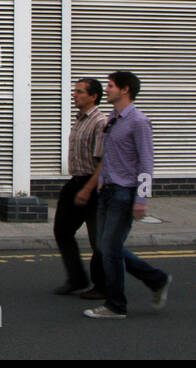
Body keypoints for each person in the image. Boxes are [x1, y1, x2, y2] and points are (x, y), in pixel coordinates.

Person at [83, 70, 171, 319]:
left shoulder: (139, 121)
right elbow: (110, 155)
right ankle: (157, 279)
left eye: (110, 86)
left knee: (110, 248)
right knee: (104, 246)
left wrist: (142, 199)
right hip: (108, 191)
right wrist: (101, 179)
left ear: (125, 90)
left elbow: (146, 162)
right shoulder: (113, 118)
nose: (107, 89)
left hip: (125, 193)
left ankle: (115, 306)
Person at [51, 78, 107, 295]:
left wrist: (87, 189)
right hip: (76, 182)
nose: (74, 95)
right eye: (75, 91)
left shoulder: (100, 122)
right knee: (62, 231)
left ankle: (101, 285)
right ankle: (77, 279)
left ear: (93, 96)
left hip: (92, 184)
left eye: (80, 92)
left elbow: (103, 162)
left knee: (97, 240)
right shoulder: (80, 119)